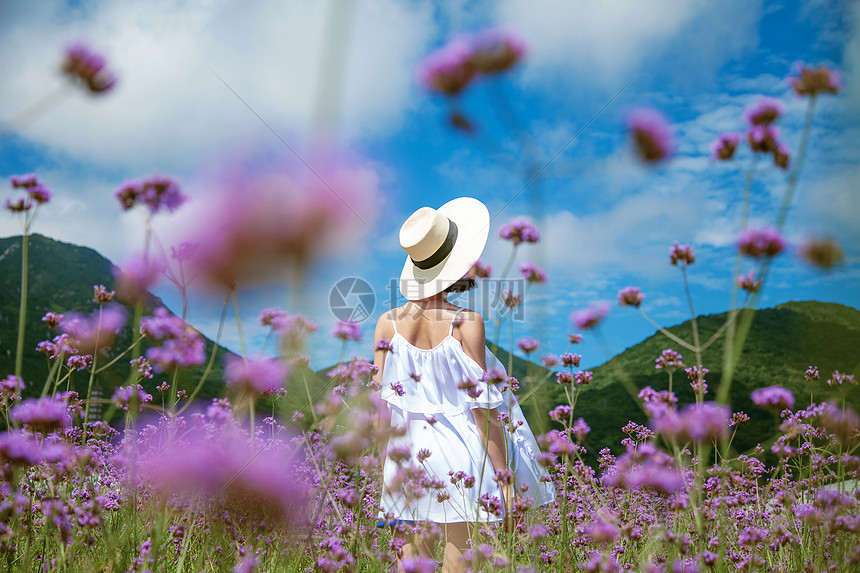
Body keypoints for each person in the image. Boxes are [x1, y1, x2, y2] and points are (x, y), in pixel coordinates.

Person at [371, 198, 555, 572]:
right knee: (459, 564)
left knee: (409, 564)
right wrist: (504, 480)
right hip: (462, 456)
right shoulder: (466, 321)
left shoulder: (386, 323)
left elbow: (381, 408)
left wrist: (382, 467)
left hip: (406, 454)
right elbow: (481, 405)